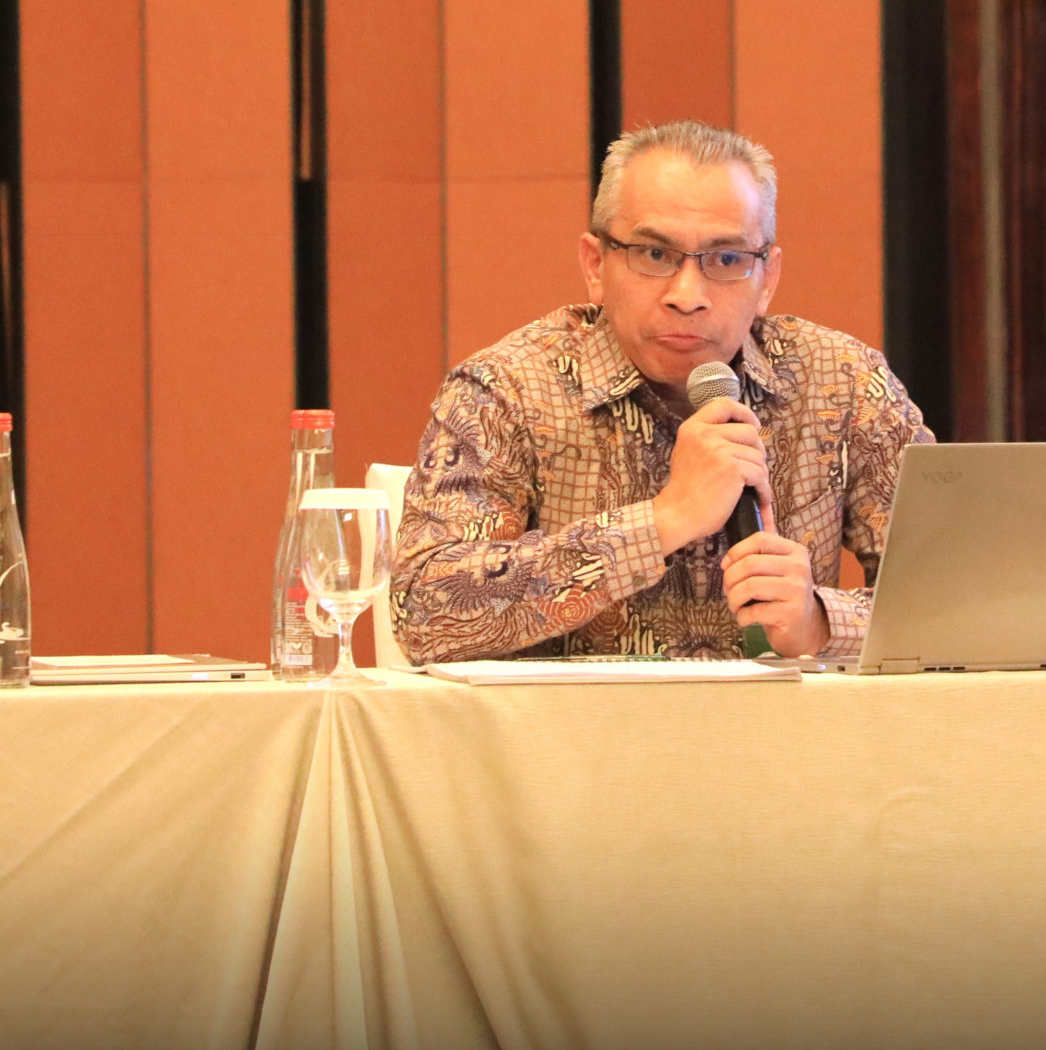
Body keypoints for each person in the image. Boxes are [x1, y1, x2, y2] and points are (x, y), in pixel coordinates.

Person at [394, 121, 933, 662]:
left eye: (726, 260)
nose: (687, 295)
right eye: (654, 255)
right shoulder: (507, 390)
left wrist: (819, 622)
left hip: (780, 720)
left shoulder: (841, 383)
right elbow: (421, 613)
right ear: (595, 265)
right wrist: (663, 521)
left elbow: (957, 597)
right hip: (579, 720)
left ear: (767, 279)